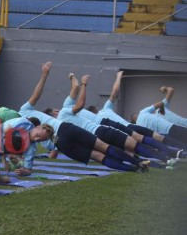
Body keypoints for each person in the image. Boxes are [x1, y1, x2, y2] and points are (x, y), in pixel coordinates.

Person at [18, 62, 151, 173]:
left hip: (61, 141)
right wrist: (49, 75)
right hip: (66, 130)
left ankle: (135, 169)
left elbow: (34, 148)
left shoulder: (19, 127)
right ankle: (138, 162)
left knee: (98, 156)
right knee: (104, 147)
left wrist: (24, 166)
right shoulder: (24, 115)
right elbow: (38, 95)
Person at [57, 73, 172, 167]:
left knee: (128, 152)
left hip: (95, 135)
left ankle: (153, 164)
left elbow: (75, 88)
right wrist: (118, 76)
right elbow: (114, 92)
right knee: (139, 143)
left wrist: (72, 77)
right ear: (95, 110)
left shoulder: (67, 118)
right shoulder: (103, 110)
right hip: (111, 127)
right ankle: (168, 158)